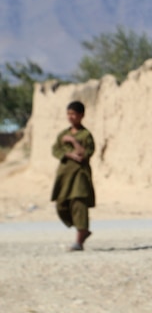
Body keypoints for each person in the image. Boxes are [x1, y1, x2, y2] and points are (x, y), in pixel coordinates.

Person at [51, 100, 95, 251]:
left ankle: (80, 238)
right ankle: (81, 229)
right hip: (64, 175)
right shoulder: (63, 134)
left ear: (81, 115)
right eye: (68, 114)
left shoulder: (86, 135)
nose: (71, 117)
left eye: (74, 114)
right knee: (61, 205)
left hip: (80, 175)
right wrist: (68, 154)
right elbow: (55, 150)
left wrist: (74, 142)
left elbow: (86, 153)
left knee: (79, 204)